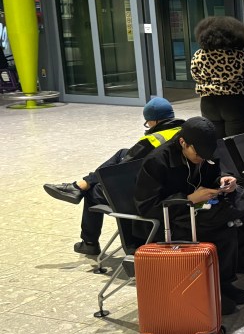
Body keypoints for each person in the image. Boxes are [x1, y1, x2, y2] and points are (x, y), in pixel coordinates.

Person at [135, 117, 244, 315]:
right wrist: (189, 199)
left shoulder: (204, 153)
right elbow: (147, 207)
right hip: (169, 222)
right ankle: (212, 289)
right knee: (224, 230)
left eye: (206, 155)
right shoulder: (157, 161)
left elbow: (215, 172)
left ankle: (223, 282)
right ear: (183, 142)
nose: (201, 159)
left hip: (198, 214)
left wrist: (224, 180)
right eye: (198, 154)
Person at [44, 97, 184, 256]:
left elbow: (122, 168)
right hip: (174, 187)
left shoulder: (152, 140)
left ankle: (89, 241)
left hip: (148, 196)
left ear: (154, 121)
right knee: (123, 152)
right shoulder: (184, 132)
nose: (148, 126)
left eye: (148, 123)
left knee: (93, 191)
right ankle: (80, 185)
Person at [189, 16, 244, 138]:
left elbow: (195, 75)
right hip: (236, 103)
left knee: (216, 141)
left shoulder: (199, 55)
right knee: (237, 143)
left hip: (209, 102)